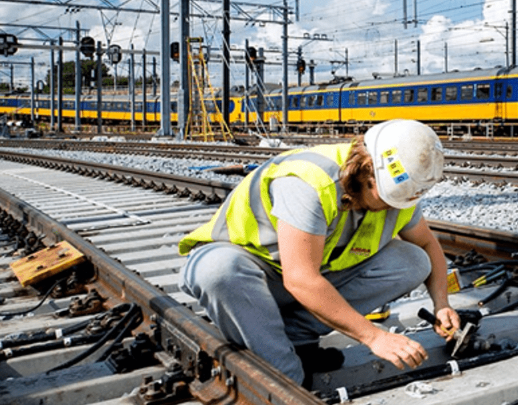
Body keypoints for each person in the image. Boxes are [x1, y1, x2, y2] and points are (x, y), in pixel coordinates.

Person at [177, 119, 460, 386]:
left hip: (309, 275)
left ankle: (297, 339)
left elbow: (427, 244)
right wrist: (373, 337)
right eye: (385, 199)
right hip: (251, 275)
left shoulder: (400, 193)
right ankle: (286, 377)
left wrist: (442, 304)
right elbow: (300, 279)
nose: (392, 208)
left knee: (412, 262)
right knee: (218, 271)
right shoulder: (309, 183)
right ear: (366, 171)